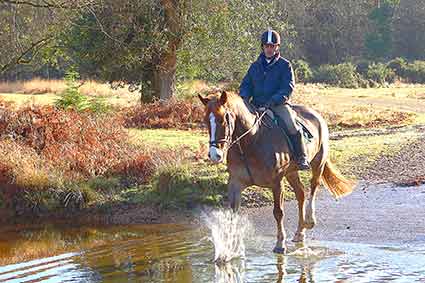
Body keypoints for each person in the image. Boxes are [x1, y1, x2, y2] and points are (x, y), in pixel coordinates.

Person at [239, 29, 310, 170]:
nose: (269, 49)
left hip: (278, 105)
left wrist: (272, 102)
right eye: (267, 46)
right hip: (255, 105)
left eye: (272, 46)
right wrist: (245, 98)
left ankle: (302, 157)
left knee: (291, 124)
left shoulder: (285, 65)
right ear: (262, 47)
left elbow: (288, 87)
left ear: (277, 47)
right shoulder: (254, 67)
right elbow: (246, 85)